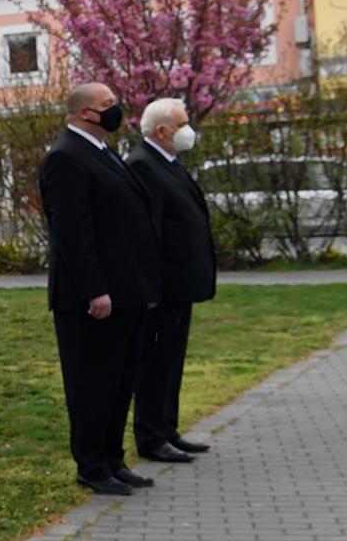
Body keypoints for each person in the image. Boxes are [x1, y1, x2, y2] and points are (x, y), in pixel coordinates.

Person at [39, 83, 162, 496]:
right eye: (108, 105)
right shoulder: (65, 157)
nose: (117, 110)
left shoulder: (104, 152)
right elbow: (71, 232)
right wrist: (95, 290)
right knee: (92, 383)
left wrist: (142, 285)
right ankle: (91, 465)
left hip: (125, 291)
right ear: (85, 113)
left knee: (119, 380)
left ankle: (112, 459)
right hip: (90, 299)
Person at [126, 98, 217, 463]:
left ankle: (167, 428)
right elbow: (147, 232)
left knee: (171, 358)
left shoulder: (168, 163)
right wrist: (150, 285)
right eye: (182, 123)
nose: (188, 129)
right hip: (163, 287)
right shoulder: (143, 166)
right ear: (162, 131)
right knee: (155, 360)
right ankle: (150, 436)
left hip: (180, 285)